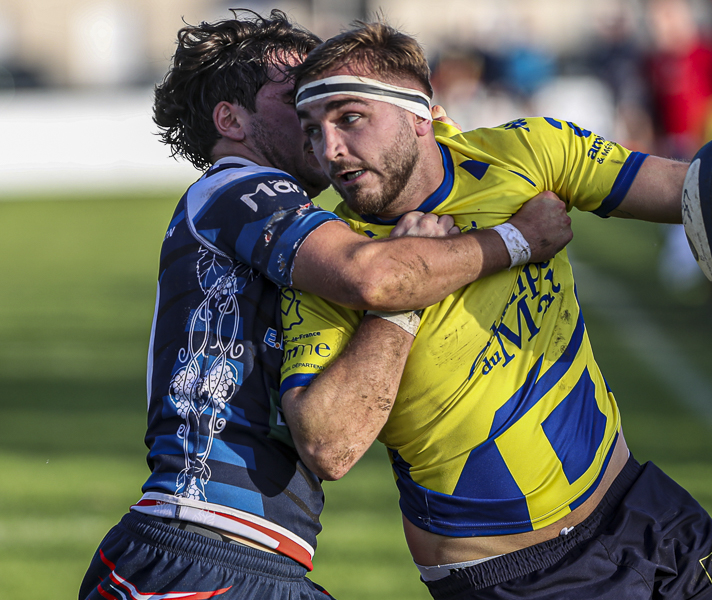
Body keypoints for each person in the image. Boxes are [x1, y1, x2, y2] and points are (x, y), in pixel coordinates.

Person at [279, 21, 712, 600]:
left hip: (642, 509)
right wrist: (403, 297)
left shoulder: (525, 153)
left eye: (349, 118)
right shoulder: (335, 264)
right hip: (519, 578)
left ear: (420, 114)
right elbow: (330, 446)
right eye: (313, 130)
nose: (329, 150)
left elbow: (703, 192)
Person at [77, 10, 573, 600]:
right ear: (231, 119)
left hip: (255, 559)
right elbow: (375, 276)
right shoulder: (236, 186)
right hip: (199, 552)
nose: (324, 115)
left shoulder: (298, 216)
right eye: (299, 100)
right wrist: (518, 240)